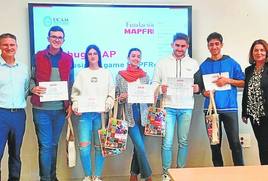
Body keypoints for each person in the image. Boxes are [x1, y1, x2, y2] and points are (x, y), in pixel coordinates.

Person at [152, 33, 199, 181]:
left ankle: (181, 172)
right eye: (177, 45)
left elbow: (198, 86)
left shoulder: (193, 64)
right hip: (168, 107)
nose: (180, 48)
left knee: (183, 141)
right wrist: (160, 89)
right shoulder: (162, 63)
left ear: (187, 46)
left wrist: (197, 88)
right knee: (167, 142)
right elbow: (154, 83)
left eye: (183, 46)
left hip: (186, 107)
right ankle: (166, 173)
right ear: (172, 45)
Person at [30, 26, 74, 181]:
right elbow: (31, 78)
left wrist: (70, 104)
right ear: (48, 38)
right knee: (46, 146)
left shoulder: (69, 58)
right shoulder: (38, 56)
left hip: (60, 110)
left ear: (63, 40)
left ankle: (52, 177)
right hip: (41, 110)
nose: (57, 39)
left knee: (54, 145)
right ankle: (45, 178)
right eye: (54, 36)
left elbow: (71, 83)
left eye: (60, 37)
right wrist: (32, 88)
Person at [198, 32, 244, 167]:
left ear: (221, 45)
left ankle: (240, 172)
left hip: (230, 108)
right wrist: (203, 92)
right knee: (214, 144)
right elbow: (200, 87)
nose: (214, 47)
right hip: (211, 110)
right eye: (211, 44)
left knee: (235, 143)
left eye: (216, 44)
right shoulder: (203, 66)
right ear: (208, 46)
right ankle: (218, 172)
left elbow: (243, 82)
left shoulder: (232, 62)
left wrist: (227, 80)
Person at [71, 44, 115, 181]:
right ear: (86, 56)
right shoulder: (82, 73)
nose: (92, 56)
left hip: (100, 116)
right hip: (84, 116)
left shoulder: (106, 73)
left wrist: (107, 106)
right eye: (89, 54)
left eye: (95, 53)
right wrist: (76, 105)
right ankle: (87, 176)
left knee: (99, 147)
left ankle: (97, 177)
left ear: (99, 55)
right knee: (84, 148)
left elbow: (111, 94)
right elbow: (75, 94)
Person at [116, 48, 152, 181]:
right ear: (128, 58)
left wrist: (151, 95)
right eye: (133, 56)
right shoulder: (120, 75)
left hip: (143, 115)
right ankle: (148, 176)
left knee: (138, 148)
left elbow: (148, 97)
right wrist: (121, 97)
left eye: (138, 56)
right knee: (141, 147)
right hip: (129, 116)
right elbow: (116, 96)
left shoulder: (145, 76)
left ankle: (133, 175)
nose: (136, 58)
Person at [0, 33, 29, 181]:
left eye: (12, 45)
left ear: (16, 47)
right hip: (1, 115)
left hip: (18, 115)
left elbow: (25, 91)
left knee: (15, 154)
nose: (9, 48)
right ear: (0, 46)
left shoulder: (23, 68)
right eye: (5, 44)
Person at [242, 39, 268, 165]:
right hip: (254, 115)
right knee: (262, 144)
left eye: (262, 50)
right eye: (256, 50)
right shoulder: (248, 70)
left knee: (266, 144)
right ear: (252, 53)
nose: (259, 53)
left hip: (266, 113)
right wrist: (244, 112)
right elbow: (246, 91)